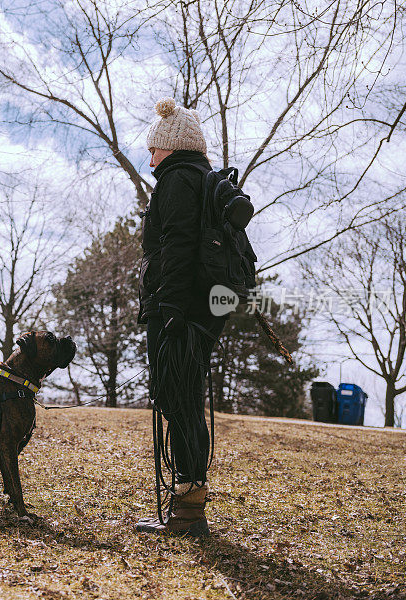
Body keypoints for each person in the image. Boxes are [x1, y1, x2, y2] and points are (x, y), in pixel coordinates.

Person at [136, 97, 229, 536]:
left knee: (178, 400)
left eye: (154, 148)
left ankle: (188, 514)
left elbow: (176, 249)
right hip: (205, 310)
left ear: (172, 146)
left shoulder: (175, 182)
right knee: (186, 400)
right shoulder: (203, 179)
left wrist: (170, 311)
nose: (150, 157)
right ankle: (188, 508)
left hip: (178, 311)